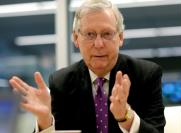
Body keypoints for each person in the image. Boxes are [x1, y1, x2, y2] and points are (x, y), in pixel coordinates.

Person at [9, 0, 166, 133]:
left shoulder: (146, 75)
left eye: (107, 34)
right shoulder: (61, 82)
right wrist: (45, 122)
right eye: (90, 34)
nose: (98, 44)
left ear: (120, 38)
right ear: (76, 39)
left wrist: (126, 116)